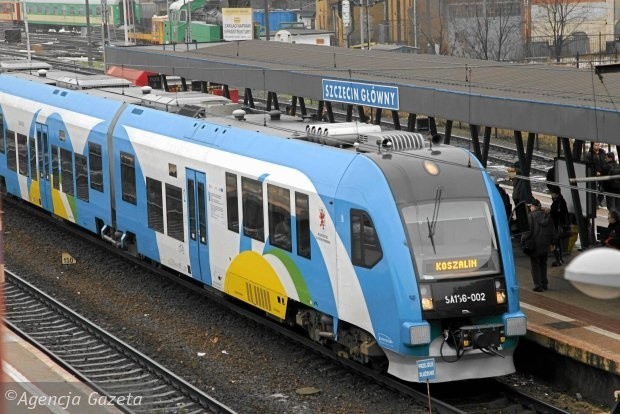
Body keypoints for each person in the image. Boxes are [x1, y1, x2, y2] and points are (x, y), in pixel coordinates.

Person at [521, 199, 556, 292]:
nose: (530, 208)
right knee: (543, 264)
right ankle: (545, 284)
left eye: (531, 206)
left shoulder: (530, 217)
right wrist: (552, 243)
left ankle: (538, 285)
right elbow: (553, 232)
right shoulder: (548, 217)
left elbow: (527, 232)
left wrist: (523, 241)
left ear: (533, 207)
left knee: (535, 265)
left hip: (535, 245)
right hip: (545, 245)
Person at [549, 188, 570, 266]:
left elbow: (557, 213)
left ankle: (558, 260)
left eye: (552, 193)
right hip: (559, 225)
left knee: (556, 242)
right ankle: (559, 259)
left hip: (558, 225)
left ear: (556, 193)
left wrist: (550, 212)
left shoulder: (559, 202)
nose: (551, 194)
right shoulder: (559, 200)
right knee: (557, 243)